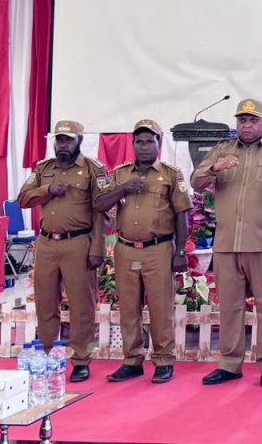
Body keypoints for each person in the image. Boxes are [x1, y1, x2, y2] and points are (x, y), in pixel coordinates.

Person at [191, 98, 262, 388]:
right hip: (227, 243)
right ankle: (230, 364)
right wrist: (214, 168)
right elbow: (196, 181)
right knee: (230, 307)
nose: (247, 125)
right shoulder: (222, 150)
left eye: (253, 120)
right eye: (242, 120)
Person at [93, 119, 191, 384]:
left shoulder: (170, 174)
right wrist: (122, 188)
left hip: (158, 249)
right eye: (139, 141)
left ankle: (163, 360)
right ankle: (132, 360)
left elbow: (182, 214)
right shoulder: (120, 174)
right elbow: (100, 204)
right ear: (133, 144)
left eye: (149, 141)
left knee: (160, 308)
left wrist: (181, 252)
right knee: (128, 308)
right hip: (126, 249)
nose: (144, 146)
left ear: (159, 144)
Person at [18, 120, 108, 383]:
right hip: (47, 244)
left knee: (82, 307)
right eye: (59, 139)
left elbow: (102, 212)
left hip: (78, 244)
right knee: (45, 304)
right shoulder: (44, 169)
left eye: (68, 139)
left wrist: (97, 248)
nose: (63, 144)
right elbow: (23, 199)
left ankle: (81, 359)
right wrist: (48, 190)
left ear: (79, 140)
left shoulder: (92, 168)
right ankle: (48, 357)